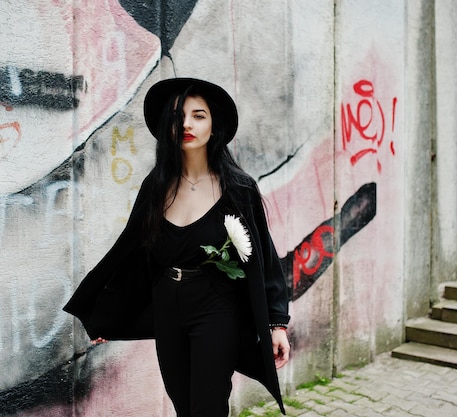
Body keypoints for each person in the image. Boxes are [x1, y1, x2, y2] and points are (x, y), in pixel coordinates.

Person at [63, 77, 290, 416]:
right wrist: (109, 316)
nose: (186, 124)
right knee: (184, 405)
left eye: (198, 115)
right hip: (168, 308)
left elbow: (264, 259)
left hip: (217, 307)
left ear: (214, 126)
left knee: (208, 406)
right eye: (177, 116)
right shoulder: (155, 187)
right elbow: (133, 257)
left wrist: (277, 323)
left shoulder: (238, 189)